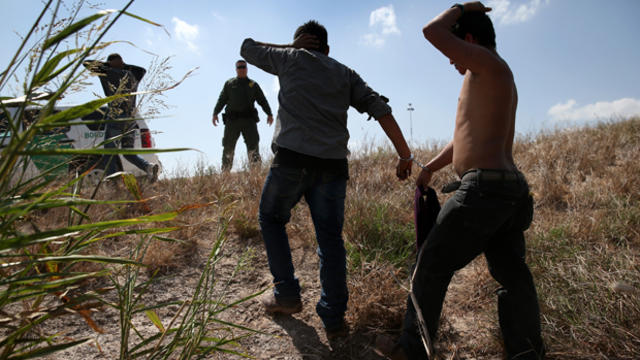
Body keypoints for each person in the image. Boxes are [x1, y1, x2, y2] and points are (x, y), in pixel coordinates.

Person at [375, 3, 545, 359]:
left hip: (484, 190)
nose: (451, 60)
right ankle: (526, 353)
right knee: (512, 277)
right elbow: (464, 137)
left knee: (431, 264)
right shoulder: (489, 74)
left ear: (468, 39)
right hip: (506, 191)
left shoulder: (485, 62)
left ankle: (411, 349)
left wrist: (460, 7)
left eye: (454, 52)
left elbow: (430, 32)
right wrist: (431, 167)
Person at [240, 20, 413, 338]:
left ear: (298, 44)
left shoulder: (289, 58)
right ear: (328, 49)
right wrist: (405, 156)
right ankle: (333, 319)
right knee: (330, 241)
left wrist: (290, 47)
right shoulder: (345, 73)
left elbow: (246, 47)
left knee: (271, 218)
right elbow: (381, 109)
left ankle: (287, 295)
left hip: (291, 160)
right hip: (333, 168)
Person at [83, 54, 159, 181]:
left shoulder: (107, 72)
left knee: (110, 152)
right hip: (130, 119)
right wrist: (124, 65)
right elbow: (141, 70)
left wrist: (108, 65)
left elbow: (86, 63)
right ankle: (148, 167)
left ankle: (113, 180)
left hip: (116, 117)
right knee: (128, 152)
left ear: (110, 62)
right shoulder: (133, 75)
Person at [211, 60, 274, 171]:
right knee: (228, 147)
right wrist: (215, 113)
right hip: (232, 121)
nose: (242, 69)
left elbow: (262, 100)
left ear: (247, 68)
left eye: (243, 67)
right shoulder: (229, 84)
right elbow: (222, 99)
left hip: (249, 121)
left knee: (253, 147)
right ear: (236, 69)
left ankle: (255, 174)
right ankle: (225, 173)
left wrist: (269, 113)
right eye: (239, 67)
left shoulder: (253, 85)